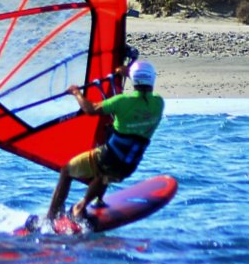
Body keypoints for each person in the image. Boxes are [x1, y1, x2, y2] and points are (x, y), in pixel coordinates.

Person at [45, 57, 165, 227]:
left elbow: (90, 109)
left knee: (67, 171)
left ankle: (49, 219)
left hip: (108, 158)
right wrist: (129, 73)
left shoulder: (122, 101)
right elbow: (143, 86)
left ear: (135, 79)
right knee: (104, 175)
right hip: (128, 166)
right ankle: (81, 206)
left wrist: (76, 93)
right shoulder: (158, 103)